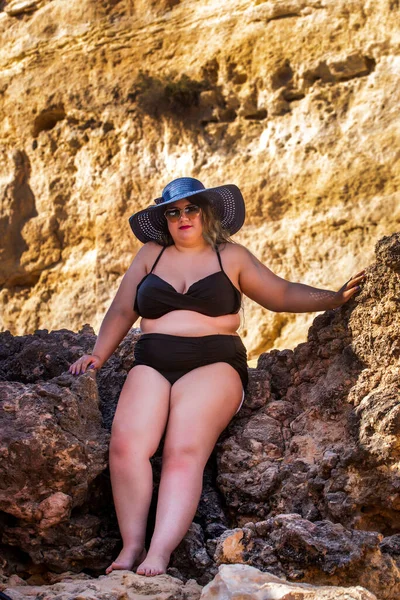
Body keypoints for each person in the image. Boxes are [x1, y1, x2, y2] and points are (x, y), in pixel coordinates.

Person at [68, 177, 365, 577]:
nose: (183, 217)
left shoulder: (231, 256)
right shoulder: (150, 255)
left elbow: (279, 293)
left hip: (214, 363)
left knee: (183, 449)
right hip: (152, 361)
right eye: (173, 212)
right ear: (165, 219)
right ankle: (132, 544)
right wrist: (98, 354)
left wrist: (331, 297)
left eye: (191, 208)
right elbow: (123, 310)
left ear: (206, 212)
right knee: (126, 445)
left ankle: (159, 551)